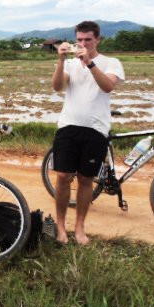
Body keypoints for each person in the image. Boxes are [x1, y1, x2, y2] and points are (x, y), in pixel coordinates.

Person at [51, 20, 124, 245]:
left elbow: (108, 86)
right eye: (79, 40)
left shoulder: (111, 63)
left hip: (96, 128)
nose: (83, 44)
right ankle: (61, 226)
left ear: (97, 40)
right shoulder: (71, 64)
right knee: (63, 177)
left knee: (85, 179)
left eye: (87, 40)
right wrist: (61, 60)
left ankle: (80, 227)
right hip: (68, 126)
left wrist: (90, 63)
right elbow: (57, 87)